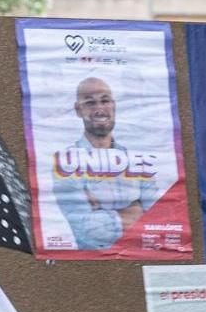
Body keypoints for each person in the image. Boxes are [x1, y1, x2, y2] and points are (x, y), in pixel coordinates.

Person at [51, 76, 156, 250]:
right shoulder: (66, 162)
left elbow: (157, 218)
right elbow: (88, 230)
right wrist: (135, 210)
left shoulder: (136, 159)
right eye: (90, 103)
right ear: (78, 110)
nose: (100, 109)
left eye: (105, 101)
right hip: (91, 265)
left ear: (114, 106)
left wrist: (103, 215)